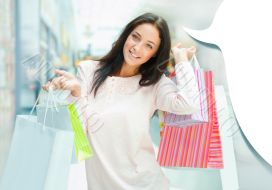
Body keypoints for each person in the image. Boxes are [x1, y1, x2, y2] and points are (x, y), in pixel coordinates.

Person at [42, 12, 200, 190]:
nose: (137, 48)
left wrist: (181, 60)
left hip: (147, 184)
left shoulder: (154, 84)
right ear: (126, 35)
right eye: (135, 37)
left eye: (149, 46)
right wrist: (76, 93)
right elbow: (81, 134)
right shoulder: (89, 70)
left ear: (155, 54)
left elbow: (189, 103)